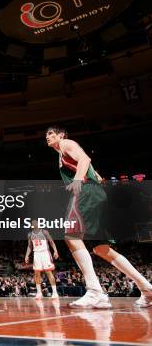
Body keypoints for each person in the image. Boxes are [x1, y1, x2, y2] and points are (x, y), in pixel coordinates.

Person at [46, 126, 152, 308]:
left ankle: (95, 292)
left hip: (85, 191)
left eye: (51, 133)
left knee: (71, 236)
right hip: (96, 192)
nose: (47, 137)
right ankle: (147, 288)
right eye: (47, 135)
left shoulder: (66, 143)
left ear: (61, 135)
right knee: (102, 248)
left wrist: (78, 180)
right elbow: (97, 175)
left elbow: (85, 159)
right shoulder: (62, 152)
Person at [24, 220, 59, 299]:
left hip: (45, 253)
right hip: (36, 253)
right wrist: (27, 255)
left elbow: (51, 242)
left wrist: (55, 251)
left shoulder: (44, 232)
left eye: (35, 222)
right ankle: (39, 292)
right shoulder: (30, 234)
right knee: (36, 273)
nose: (33, 224)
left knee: (48, 272)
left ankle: (55, 292)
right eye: (32, 223)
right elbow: (29, 246)